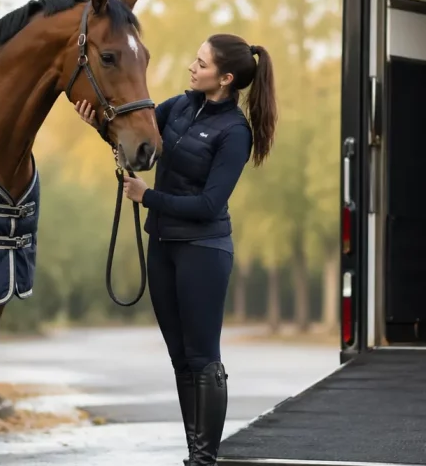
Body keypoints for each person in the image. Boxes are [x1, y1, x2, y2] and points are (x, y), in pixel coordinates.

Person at [74, 33, 276, 465]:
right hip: (163, 246)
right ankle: (194, 454)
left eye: (201, 63)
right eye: (195, 59)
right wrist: (98, 125)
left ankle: (204, 459)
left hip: (203, 250)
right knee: (180, 358)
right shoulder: (179, 107)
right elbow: (137, 140)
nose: (192, 67)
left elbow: (209, 205)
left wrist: (147, 197)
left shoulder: (234, 132)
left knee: (203, 358)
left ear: (225, 78)